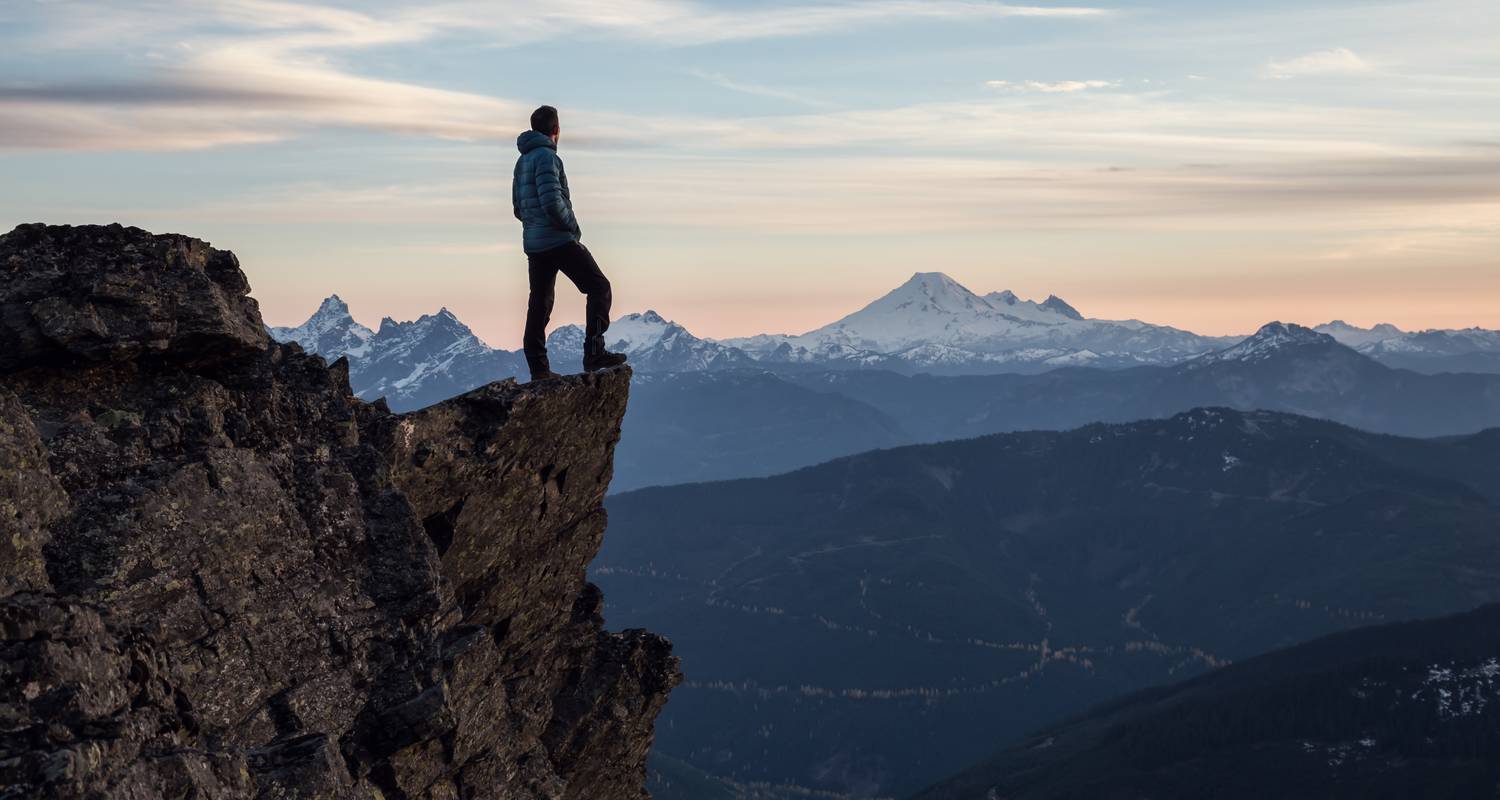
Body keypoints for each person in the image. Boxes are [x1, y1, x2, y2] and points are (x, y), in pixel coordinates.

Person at [513, 104, 627, 381]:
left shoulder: (522, 161)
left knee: (539, 303)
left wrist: (533, 226)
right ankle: (594, 353)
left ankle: (539, 370)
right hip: (558, 239)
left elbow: (518, 207)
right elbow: (553, 200)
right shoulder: (547, 158)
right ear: (556, 130)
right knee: (599, 287)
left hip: (534, 243)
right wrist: (571, 226)